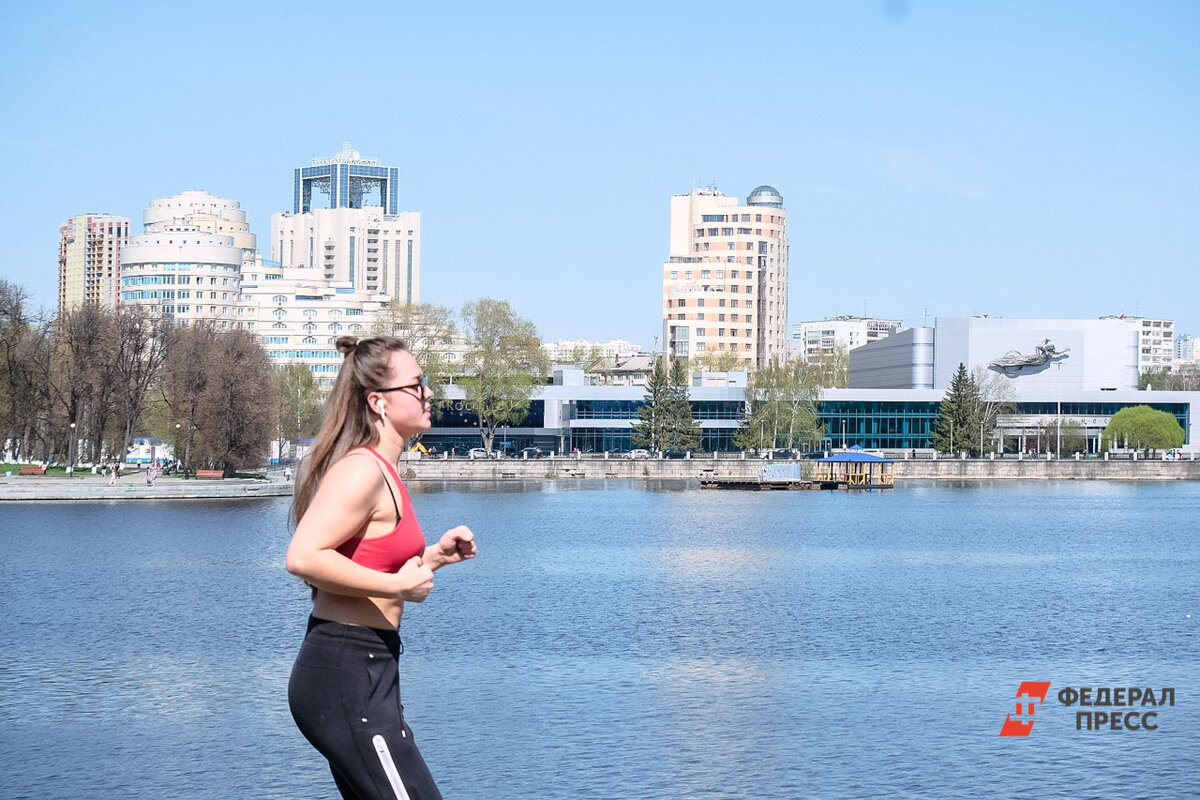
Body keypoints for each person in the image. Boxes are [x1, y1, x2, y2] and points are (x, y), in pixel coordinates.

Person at [286, 335, 476, 800]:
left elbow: (363, 557)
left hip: (371, 669)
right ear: (378, 402)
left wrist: (431, 558)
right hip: (345, 672)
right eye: (416, 385)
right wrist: (396, 584)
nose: (428, 393)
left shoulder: (387, 470)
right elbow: (304, 557)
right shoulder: (361, 470)